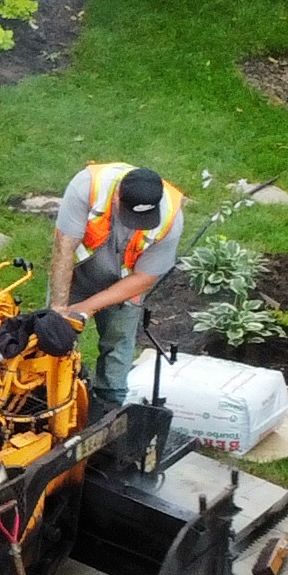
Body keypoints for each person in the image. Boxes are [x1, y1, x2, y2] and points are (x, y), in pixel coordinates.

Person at [46, 161, 187, 407]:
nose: (135, 224)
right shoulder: (87, 188)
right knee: (53, 335)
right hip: (77, 272)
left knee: (118, 343)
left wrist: (86, 308)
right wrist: (60, 309)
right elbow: (64, 249)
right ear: (118, 195)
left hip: (125, 284)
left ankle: (110, 404)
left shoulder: (170, 218)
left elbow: (144, 278)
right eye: (131, 215)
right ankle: (50, 394)